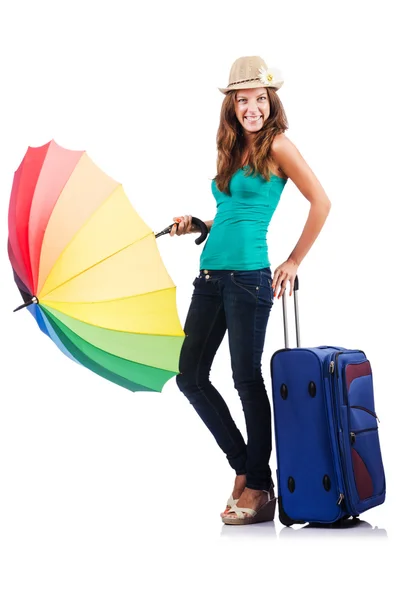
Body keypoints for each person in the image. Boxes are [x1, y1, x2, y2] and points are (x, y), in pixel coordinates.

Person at [170, 56, 331, 525]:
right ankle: (248, 467)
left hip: (249, 280)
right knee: (190, 377)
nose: (252, 108)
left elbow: (322, 201)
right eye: (243, 100)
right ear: (232, 106)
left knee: (245, 378)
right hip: (210, 278)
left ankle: (257, 486)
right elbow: (232, 215)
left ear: (270, 101)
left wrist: (294, 259)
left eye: (259, 99)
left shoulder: (280, 146)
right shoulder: (233, 149)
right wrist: (197, 223)